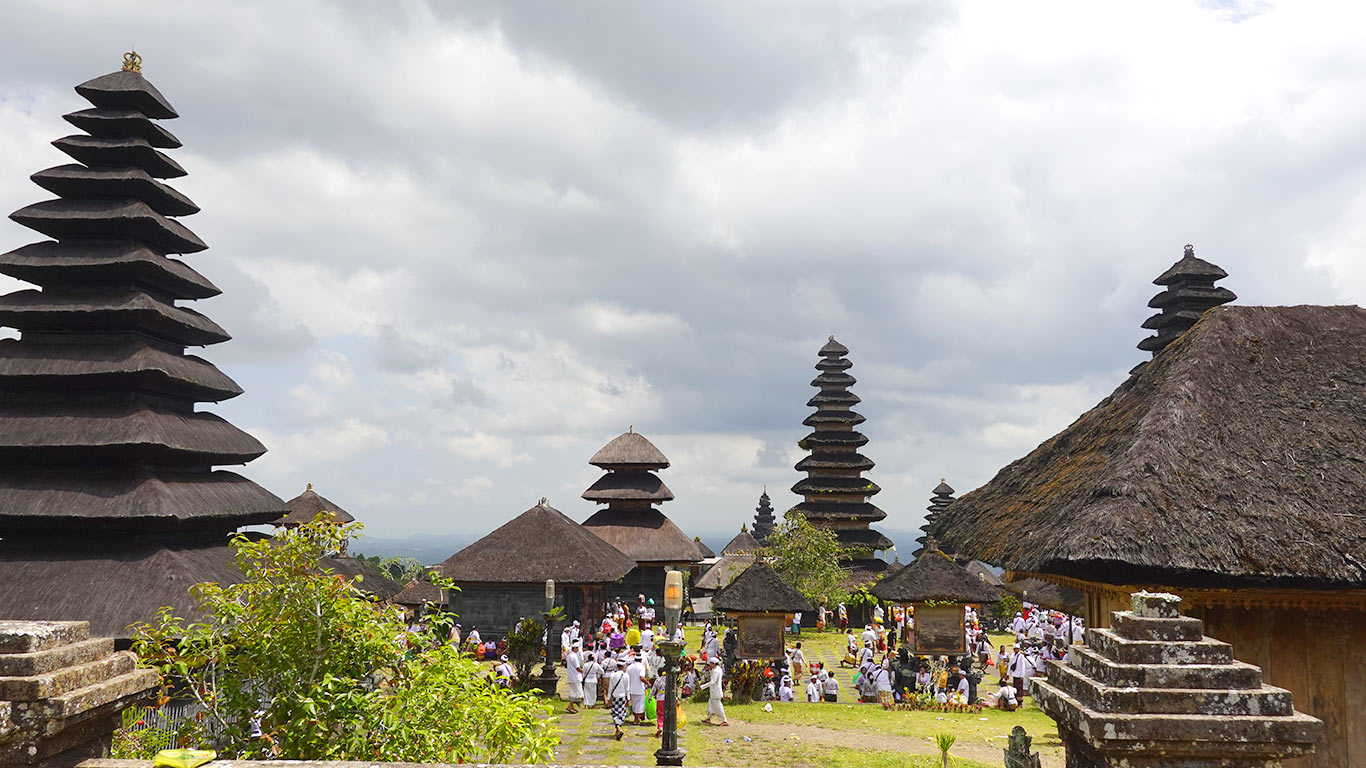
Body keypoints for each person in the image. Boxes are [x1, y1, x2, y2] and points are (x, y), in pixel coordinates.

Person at [701, 657, 728, 726]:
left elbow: (712, 681)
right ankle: (709, 718)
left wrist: (702, 687)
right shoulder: (718, 669)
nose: (710, 665)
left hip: (716, 691)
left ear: (714, 664)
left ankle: (725, 720)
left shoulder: (716, 671)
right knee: (710, 704)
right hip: (714, 691)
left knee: (719, 706)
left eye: (710, 664)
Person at [606, 659, 629, 740]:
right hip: (623, 696)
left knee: (615, 713)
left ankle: (618, 729)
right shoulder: (626, 675)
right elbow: (627, 689)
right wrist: (628, 699)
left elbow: (610, 688)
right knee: (622, 713)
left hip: (615, 696)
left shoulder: (613, 675)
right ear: (623, 667)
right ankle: (619, 728)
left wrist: (608, 698)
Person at [626, 654, 647, 724]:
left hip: (631, 688)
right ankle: (636, 719)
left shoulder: (629, 667)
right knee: (639, 705)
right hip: (640, 689)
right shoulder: (641, 667)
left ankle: (636, 718)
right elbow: (641, 677)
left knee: (634, 705)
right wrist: (648, 683)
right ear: (641, 660)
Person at [565, 642, 584, 713]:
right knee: (578, 693)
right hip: (576, 676)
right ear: (575, 648)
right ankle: (570, 705)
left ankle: (571, 706)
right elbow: (577, 668)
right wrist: (583, 671)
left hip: (571, 676)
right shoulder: (574, 656)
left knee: (573, 692)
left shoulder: (569, 655)